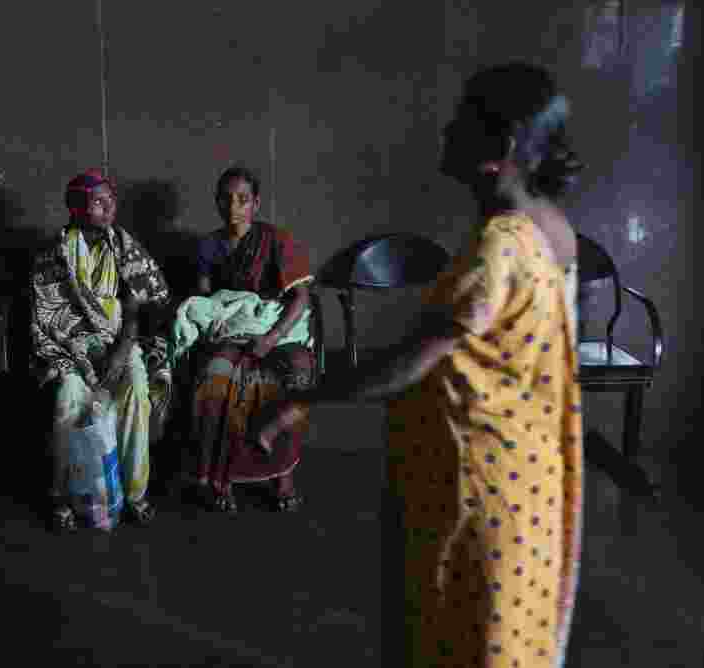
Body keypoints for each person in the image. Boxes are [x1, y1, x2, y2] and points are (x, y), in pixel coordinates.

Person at [258, 63, 585, 667]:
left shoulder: (501, 245)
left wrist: (306, 396)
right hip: (530, 483)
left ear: (501, 147)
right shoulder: (553, 229)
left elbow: (410, 364)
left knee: (462, 640)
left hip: (480, 491)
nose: (446, 132)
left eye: (461, 120)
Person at [30, 169, 173, 531]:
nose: (109, 207)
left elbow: (144, 304)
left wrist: (122, 351)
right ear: (76, 208)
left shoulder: (124, 246)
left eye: (111, 199)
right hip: (70, 350)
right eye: (98, 201)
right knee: (68, 400)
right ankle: (65, 498)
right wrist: (82, 350)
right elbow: (48, 314)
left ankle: (135, 494)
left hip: (120, 345)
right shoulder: (52, 256)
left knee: (136, 394)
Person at [184, 166, 315, 513]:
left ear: (256, 204)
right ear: (216, 203)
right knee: (217, 377)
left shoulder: (276, 240)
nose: (233, 206)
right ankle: (220, 477)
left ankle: (283, 475)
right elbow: (206, 300)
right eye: (226, 199)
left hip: (278, 331)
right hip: (232, 329)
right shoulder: (209, 246)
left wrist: (271, 338)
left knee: (298, 374)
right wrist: (216, 320)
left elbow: (301, 297)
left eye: (243, 199)